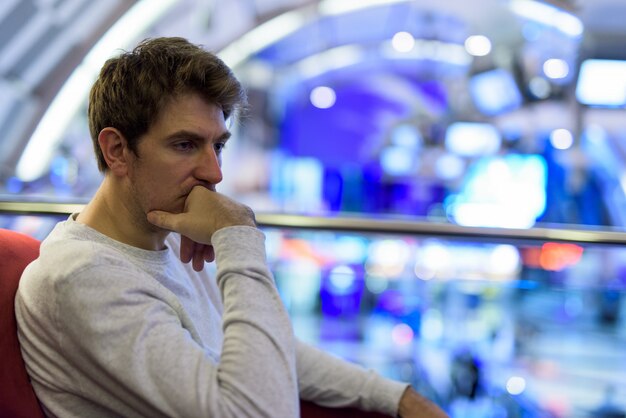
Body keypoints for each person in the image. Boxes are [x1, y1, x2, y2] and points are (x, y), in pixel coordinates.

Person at [15, 37, 448, 418]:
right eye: (184, 145)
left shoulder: (169, 239)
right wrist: (240, 238)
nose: (214, 172)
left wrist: (395, 397)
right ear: (117, 150)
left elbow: (265, 354)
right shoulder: (83, 277)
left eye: (218, 146)